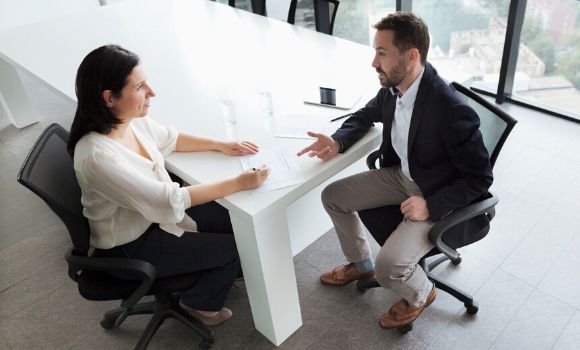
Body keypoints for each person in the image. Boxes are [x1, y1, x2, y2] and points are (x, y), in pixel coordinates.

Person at [297, 12, 493, 329]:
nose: (374, 62)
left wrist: (431, 205)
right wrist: (337, 141)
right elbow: (364, 115)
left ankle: (421, 293)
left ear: (412, 55)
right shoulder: (393, 87)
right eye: (375, 52)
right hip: (403, 175)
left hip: (436, 192)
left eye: (382, 53)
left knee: (388, 269)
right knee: (333, 196)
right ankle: (360, 264)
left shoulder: (451, 110)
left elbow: (480, 179)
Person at [68, 45, 270, 326]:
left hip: (154, 218)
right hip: (133, 244)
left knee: (232, 218)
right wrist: (238, 182)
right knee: (239, 247)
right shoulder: (98, 156)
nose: (151, 92)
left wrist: (221, 145)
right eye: (140, 86)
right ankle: (199, 303)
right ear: (109, 98)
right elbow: (168, 201)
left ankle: (213, 271)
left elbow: (169, 139)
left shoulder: (129, 120)